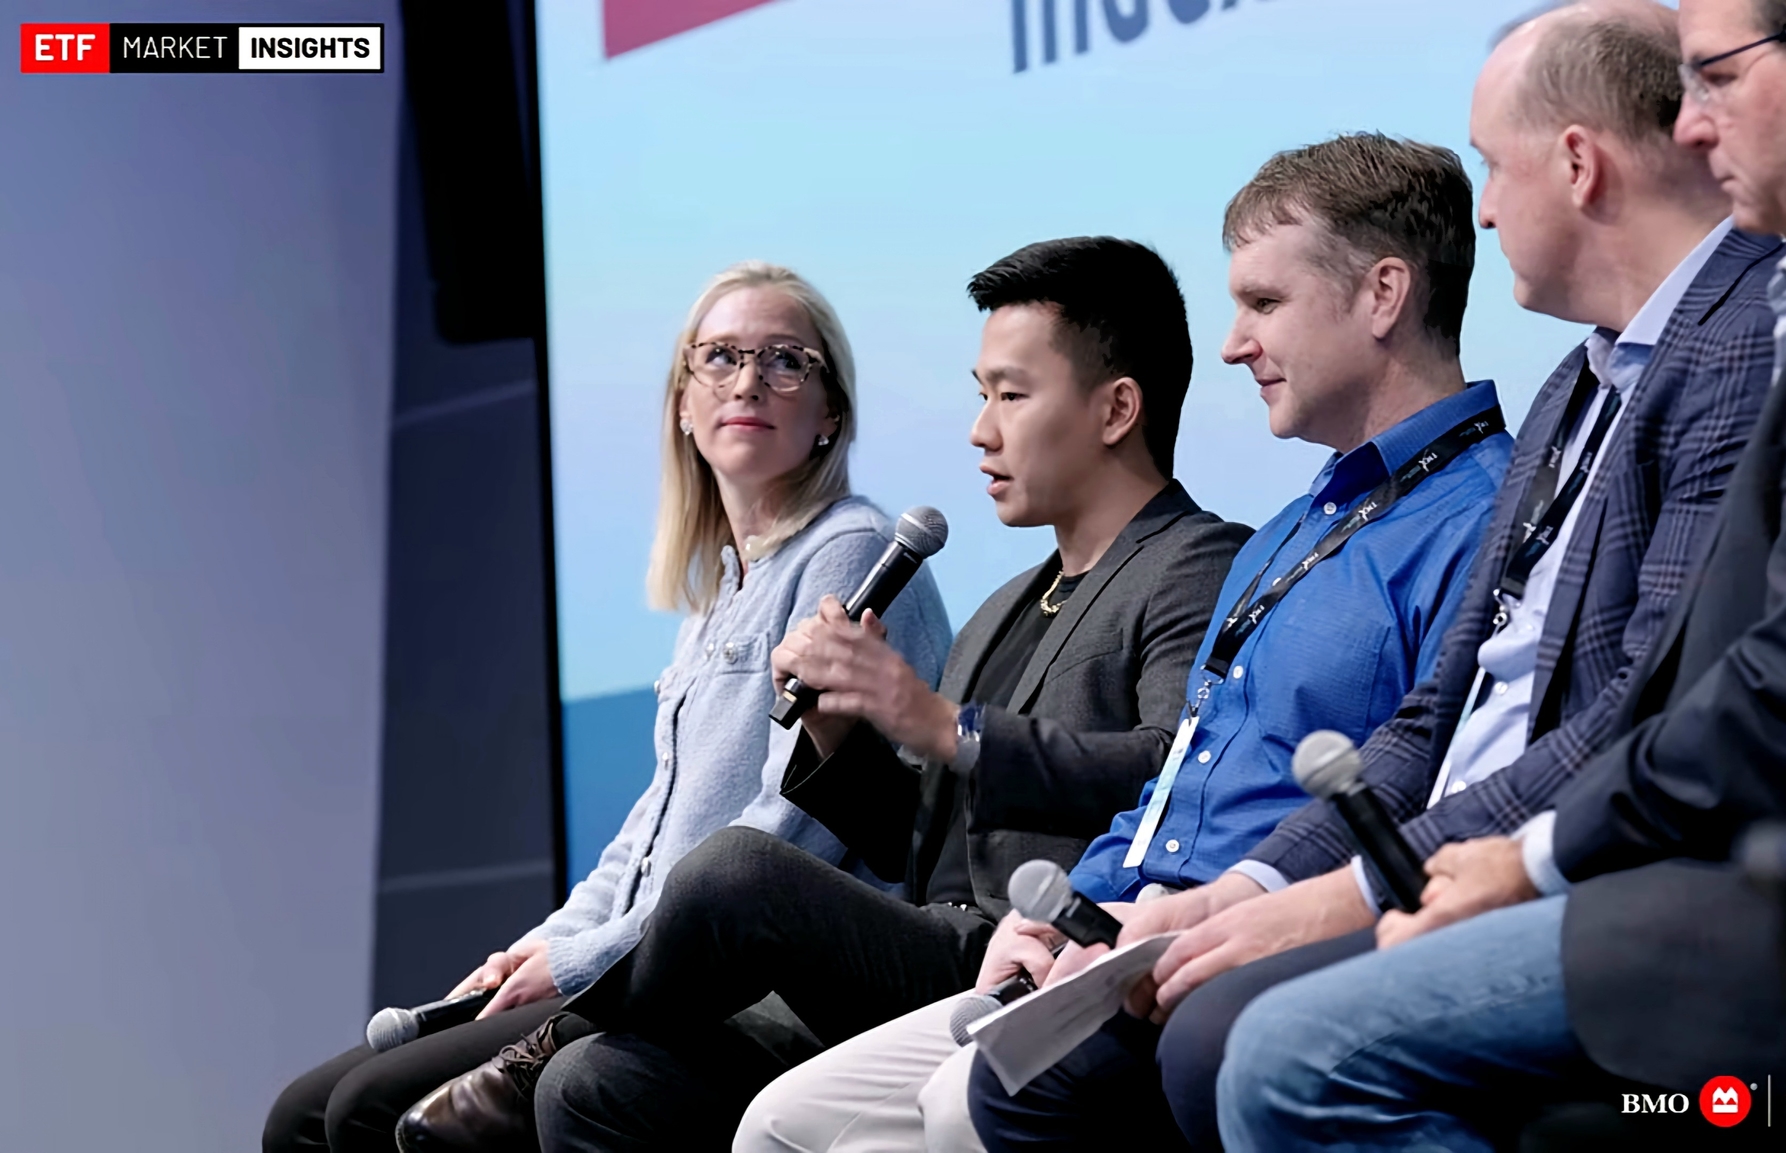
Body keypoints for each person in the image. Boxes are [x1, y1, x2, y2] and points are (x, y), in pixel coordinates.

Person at [1218, 0, 1786, 1146]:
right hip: (1766, 863)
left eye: (1706, 80)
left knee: (1286, 1055)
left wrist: (1531, 856)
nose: (1689, 131)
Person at [961, 4, 1785, 1149]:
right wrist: (1239, 892)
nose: (1484, 210)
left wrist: (1350, 893)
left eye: (1494, 170)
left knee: (1204, 1047)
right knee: (1014, 1071)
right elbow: (1434, 721)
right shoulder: (1568, 392)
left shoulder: (1737, 345)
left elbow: (1628, 711)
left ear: (1579, 165)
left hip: (1589, 870)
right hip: (1460, 855)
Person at [737, 132, 1515, 1153]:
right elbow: (1175, 782)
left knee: (902, 1070)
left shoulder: (1486, 512)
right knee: (783, 1125)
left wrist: (946, 731)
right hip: (1100, 934)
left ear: (1381, 294)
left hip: (1243, 939)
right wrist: (1079, 903)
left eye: (1263, 304)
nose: (1235, 343)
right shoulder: (1281, 535)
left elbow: (1422, 782)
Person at [400, 237, 1250, 1151]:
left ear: (1117, 408)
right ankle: (560, 1047)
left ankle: (559, 1020)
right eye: (979, 394)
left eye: (1011, 395)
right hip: (930, 935)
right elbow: (916, 843)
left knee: (737, 870)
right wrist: (838, 734)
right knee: (596, 1085)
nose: (980, 429)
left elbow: (1173, 772)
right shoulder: (1006, 604)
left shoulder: (1195, 562)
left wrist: (938, 723)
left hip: (1029, 944)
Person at [261, 262, 952, 1153]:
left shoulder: (849, 548)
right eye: (722, 357)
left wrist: (585, 961)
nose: (749, 381)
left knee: (360, 1113)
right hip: (635, 954)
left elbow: (787, 836)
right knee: (305, 1114)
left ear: (832, 414)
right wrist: (545, 942)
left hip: (743, 980)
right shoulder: (720, 591)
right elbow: (648, 833)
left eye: (787, 361)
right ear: (681, 403)